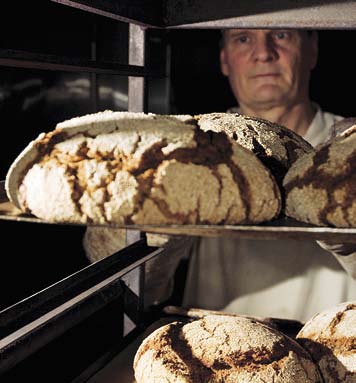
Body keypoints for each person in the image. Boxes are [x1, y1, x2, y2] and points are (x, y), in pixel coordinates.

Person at [83, 28, 356, 322]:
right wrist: (157, 226)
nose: (263, 53)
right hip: (208, 352)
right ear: (224, 59)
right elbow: (131, 286)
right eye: (243, 39)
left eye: (281, 35)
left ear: (312, 49)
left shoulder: (347, 150)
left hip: (336, 354)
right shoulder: (197, 147)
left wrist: (346, 236)